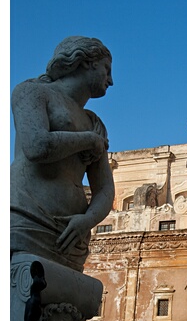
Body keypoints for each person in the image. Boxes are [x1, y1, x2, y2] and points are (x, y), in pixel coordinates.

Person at [10, 36, 115, 273]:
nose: (111, 80)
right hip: (26, 216)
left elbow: (105, 189)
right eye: (107, 69)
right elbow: (37, 146)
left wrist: (87, 221)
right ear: (86, 61)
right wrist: (88, 140)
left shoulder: (94, 122)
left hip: (71, 234)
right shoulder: (31, 92)